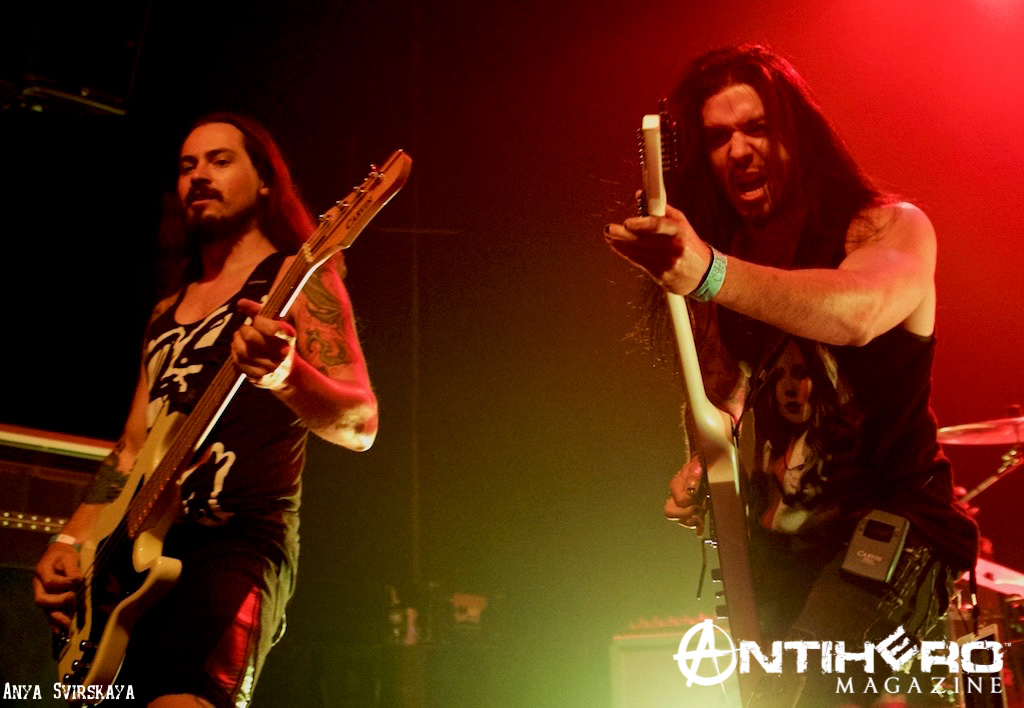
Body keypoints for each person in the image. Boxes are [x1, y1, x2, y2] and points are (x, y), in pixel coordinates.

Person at [605, 45, 978, 705]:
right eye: (718, 137)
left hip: (892, 528)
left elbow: (858, 314)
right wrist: (703, 463)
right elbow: (720, 398)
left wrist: (710, 272)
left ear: (797, 134)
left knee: (813, 696)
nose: (739, 150)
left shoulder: (889, 229)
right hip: (781, 551)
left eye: (757, 128)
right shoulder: (725, 260)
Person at [32, 113, 378, 707]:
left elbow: (361, 424)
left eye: (220, 160)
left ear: (265, 180)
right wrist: (71, 540)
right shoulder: (166, 311)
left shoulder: (300, 281)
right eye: (187, 165)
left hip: (235, 546)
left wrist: (285, 375)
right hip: (130, 560)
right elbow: (132, 449)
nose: (198, 175)